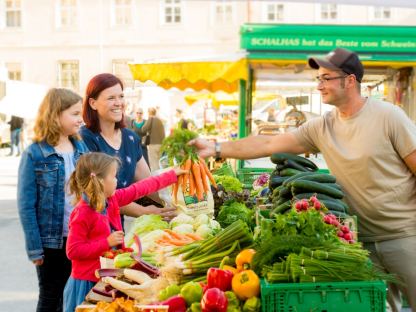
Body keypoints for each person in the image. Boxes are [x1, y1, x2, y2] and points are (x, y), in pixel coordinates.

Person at [190, 48, 416, 311]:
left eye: (326, 78)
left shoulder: (389, 117)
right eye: (317, 79)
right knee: (379, 307)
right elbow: (269, 143)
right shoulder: (323, 126)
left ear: (350, 80)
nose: (319, 85)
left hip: (404, 236)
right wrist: (216, 149)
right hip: (360, 241)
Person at [63, 152, 185, 311]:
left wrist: (171, 175)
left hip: (107, 277)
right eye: (113, 177)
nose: (117, 181)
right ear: (100, 181)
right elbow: (73, 251)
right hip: (87, 282)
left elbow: (139, 188)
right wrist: (106, 243)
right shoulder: (82, 213)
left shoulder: (112, 198)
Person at [17, 88, 88, 312]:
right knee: (51, 296)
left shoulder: (81, 148)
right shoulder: (35, 154)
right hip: (51, 243)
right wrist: (34, 248)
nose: (81, 119)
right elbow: (26, 205)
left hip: (79, 237)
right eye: (75, 114)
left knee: (74, 296)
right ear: (56, 115)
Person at [80, 73, 176, 221]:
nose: (119, 103)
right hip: (91, 229)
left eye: (121, 96)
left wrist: (176, 204)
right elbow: (99, 193)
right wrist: (142, 211)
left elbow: (147, 184)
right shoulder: (84, 139)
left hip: (118, 229)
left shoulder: (130, 138)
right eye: (111, 98)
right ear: (93, 103)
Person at [138, 107, 165, 171]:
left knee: (154, 164)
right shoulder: (159, 120)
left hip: (153, 144)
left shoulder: (151, 118)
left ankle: (156, 179)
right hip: (161, 144)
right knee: (159, 163)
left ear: (149, 113)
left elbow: (143, 129)